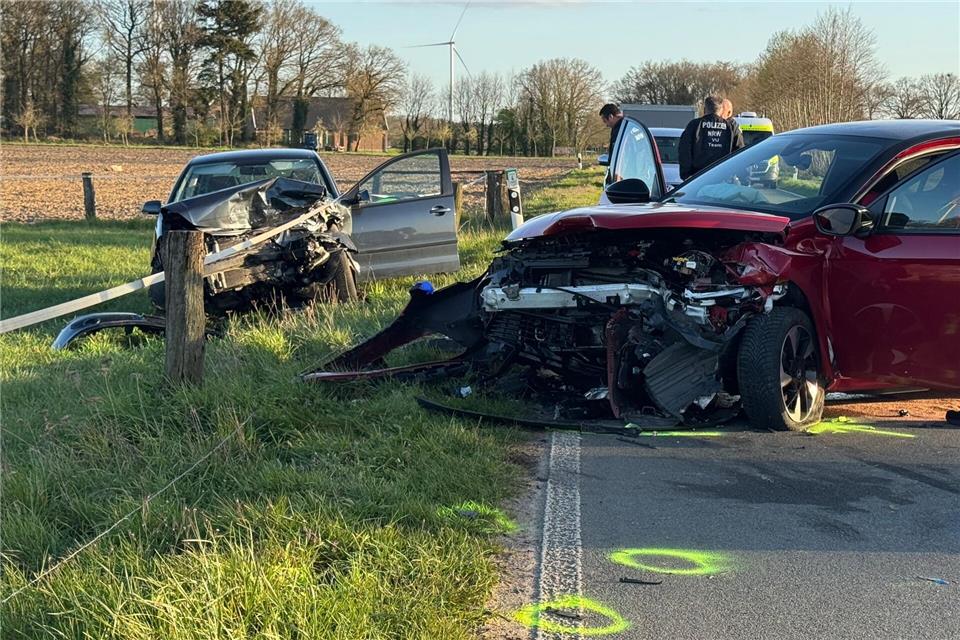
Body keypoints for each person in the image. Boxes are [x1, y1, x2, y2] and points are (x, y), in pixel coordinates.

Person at [678, 95, 745, 180]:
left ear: (705, 110)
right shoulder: (731, 128)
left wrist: (686, 175)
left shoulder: (694, 125)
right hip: (724, 179)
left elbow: (684, 151)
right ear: (721, 110)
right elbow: (740, 152)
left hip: (698, 179)